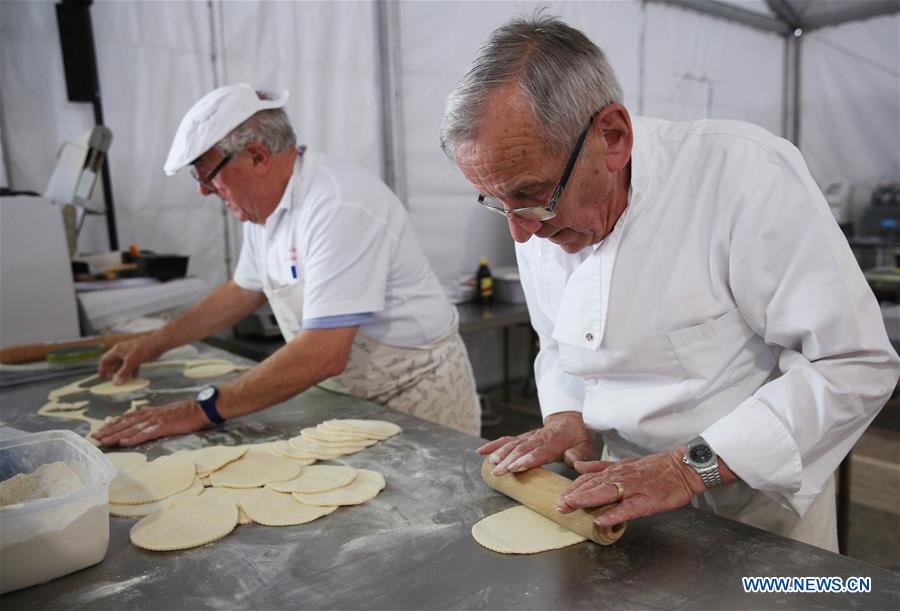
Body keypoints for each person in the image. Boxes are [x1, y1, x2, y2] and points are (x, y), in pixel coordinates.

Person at [440, 15, 899, 551]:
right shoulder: (543, 213)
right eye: (497, 204)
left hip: (753, 510)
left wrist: (686, 469)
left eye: (533, 195)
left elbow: (852, 364)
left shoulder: (744, 177)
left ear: (611, 137)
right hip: (617, 493)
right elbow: (560, 343)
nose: (521, 234)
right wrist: (567, 415)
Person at [96, 84, 480, 446]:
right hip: (345, 393)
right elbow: (242, 291)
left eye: (208, 175)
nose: (203, 190)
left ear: (257, 156)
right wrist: (155, 343)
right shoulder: (264, 209)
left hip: (414, 394)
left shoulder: (338, 204)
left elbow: (325, 352)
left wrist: (201, 409)